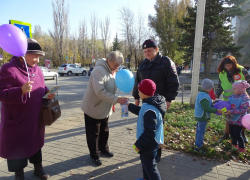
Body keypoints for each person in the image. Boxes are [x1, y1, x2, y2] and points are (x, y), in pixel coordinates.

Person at [0, 38, 55, 180]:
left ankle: (38, 168)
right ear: (23, 54)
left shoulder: (37, 70)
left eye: (39, 57)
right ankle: (19, 174)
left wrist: (48, 93)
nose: (37, 60)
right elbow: (1, 94)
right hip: (18, 119)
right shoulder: (8, 69)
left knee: (36, 143)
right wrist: (20, 91)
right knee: (17, 148)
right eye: (35, 56)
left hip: (35, 118)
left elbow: (41, 86)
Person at [132, 39, 179, 162]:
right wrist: (136, 96)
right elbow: (137, 82)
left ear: (157, 49)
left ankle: (156, 151)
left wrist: (169, 99)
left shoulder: (165, 62)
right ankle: (146, 147)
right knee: (146, 125)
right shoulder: (142, 64)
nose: (147, 53)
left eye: (149, 51)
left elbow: (173, 82)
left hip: (159, 102)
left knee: (157, 127)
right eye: (145, 51)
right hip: (145, 101)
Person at [81, 51, 128, 166]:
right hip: (93, 107)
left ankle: (104, 149)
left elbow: (112, 87)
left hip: (105, 107)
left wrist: (112, 103)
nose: (117, 68)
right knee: (94, 134)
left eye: (119, 66)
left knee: (104, 131)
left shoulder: (113, 70)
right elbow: (100, 92)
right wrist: (116, 100)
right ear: (109, 61)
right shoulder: (98, 71)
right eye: (116, 65)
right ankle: (95, 155)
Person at [128, 79, 165, 180]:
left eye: (139, 91)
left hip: (149, 143)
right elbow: (141, 112)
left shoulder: (150, 109)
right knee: (145, 163)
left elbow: (150, 131)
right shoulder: (150, 103)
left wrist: (139, 144)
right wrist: (129, 106)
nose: (138, 93)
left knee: (150, 166)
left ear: (144, 92)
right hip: (147, 142)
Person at [216, 55, 250, 143]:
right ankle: (227, 134)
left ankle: (242, 133)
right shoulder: (222, 73)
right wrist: (217, 94)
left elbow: (249, 83)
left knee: (242, 117)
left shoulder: (242, 70)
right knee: (229, 117)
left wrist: (248, 96)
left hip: (242, 100)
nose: (228, 67)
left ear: (234, 64)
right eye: (226, 66)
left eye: (229, 65)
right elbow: (220, 86)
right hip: (229, 101)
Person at [194, 79, 222, 153]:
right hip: (202, 116)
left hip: (199, 115)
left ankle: (197, 143)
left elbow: (207, 104)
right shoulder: (204, 97)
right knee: (201, 131)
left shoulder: (202, 94)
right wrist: (216, 110)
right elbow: (206, 108)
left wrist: (213, 104)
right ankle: (198, 147)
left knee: (199, 130)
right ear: (210, 88)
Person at [224, 80, 250, 152]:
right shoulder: (232, 96)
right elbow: (228, 104)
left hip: (239, 119)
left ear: (240, 90)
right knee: (231, 132)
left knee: (237, 133)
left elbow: (243, 110)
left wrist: (231, 111)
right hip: (231, 118)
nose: (232, 90)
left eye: (234, 89)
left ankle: (242, 147)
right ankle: (234, 144)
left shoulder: (245, 99)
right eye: (232, 88)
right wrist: (224, 108)